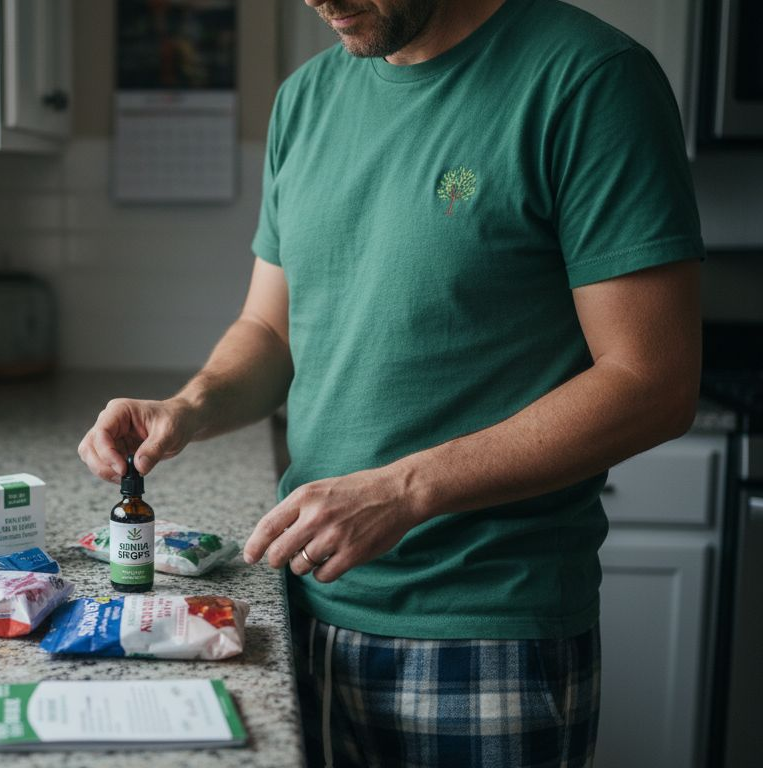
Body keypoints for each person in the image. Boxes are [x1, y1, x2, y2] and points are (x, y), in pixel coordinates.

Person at [76, 0, 704, 765]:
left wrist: (404, 491)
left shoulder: (590, 80)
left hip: (485, 636)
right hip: (306, 608)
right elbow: (271, 330)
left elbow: (652, 381)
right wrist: (188, 406)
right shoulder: (306, 99)